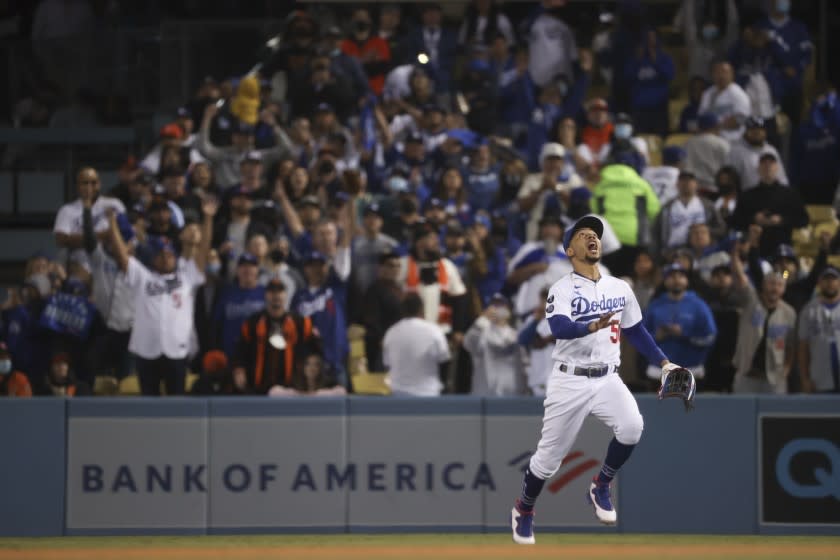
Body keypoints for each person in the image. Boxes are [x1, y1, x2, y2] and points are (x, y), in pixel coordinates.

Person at [510, 215, 686, 544]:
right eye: (583, 235)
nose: (592, 238)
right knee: (547, 460)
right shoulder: (560, 290)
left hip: (608, 377)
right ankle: (525, 507)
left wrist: (663, 362)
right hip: (570, 379)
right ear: (568, 250)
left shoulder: (620, 286)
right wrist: (591, 326)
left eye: (595, 234)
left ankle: (601, 484)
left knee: (632, 427)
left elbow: (635, 330)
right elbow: (559, 327)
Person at [108, 198, 215, 396]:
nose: (166, 258)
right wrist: (112, 223)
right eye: (160, 255)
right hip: (146, 350)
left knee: (177, 403)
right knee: (150, 406)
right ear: (152, 258)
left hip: (176, 350)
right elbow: (121, 256)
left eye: (169, 255)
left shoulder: (187, 275)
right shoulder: (143, 276)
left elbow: (203, 249)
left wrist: (208, 218)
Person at [233, 278, 321, 395]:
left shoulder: (301, 323)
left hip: (291, 388)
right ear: (266, 295)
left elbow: (315, 352)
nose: (276, 296)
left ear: (285, 295)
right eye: (272, 292)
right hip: (259, 387)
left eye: (280, 292)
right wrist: (239, 370)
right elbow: (240, 351)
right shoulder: (252, 323)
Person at [731, 250, 797, 395]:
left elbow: (791, 345)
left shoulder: (789, 313)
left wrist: (786, 370)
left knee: (776, 416)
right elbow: (740, 279)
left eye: (779, 285)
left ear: (783, 289)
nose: (775, 288)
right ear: (764, 285)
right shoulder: (751, 302)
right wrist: (734, 255)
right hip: (747, 376)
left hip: (775, 379)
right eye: (771, 284)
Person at [643, 263, 717, 388]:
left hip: (691, 370)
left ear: (686, 280)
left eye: (680, 276)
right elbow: (642, 337)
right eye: (672, 277)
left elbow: (710, 336)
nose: (676, 280)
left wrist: (685, 334)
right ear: (665, 281)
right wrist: (656, 337)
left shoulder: (699, 305)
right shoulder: (655, 305)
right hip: (659, 372)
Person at [730, 153, 809, 258]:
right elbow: (735, 221)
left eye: (771, 163)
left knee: (786, 274)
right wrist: (754, 219)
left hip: (782, 252)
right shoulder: (747, 196)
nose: (767, 167)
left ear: (777, 167)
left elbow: (803, 220)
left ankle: (785, 275)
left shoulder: (790, 194)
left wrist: (782, 220)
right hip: (753, 252)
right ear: (758, 168)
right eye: (764, 164)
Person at [54, 166, 126, 270]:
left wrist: (81, 239)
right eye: (85, 183)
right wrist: (103, 236)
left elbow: (125, 233)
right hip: (80, 263)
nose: (89, 187)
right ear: (78, 186)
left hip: (110, 262)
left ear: (99, 184)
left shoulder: (114, 204)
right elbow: (61, 240)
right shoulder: (67, 210)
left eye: (93, 183)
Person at [382, 292, 451, 396]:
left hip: (398, 395)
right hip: (428, 394)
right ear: (422, 309)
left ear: (402, 310)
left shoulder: (391, 332)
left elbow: (387, 364)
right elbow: (444, 361)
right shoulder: (434, 331)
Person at [650, 171, 726, 256]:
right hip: (674, 252)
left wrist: (705, 231)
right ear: (677, 184)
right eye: (683, 181)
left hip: (702, 251)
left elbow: (721, 228)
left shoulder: (707, 205)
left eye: (689, 181)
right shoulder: (667, 208)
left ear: (696, 184)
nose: (686, 184)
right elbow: (656, 233)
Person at [463, 293, 525, 396]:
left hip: (512, 394)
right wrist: (483, 319)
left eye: (501, 305)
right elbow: (468, 343)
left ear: (508, 310)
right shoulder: (480, 331)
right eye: (494, 305)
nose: (497, 309)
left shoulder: (516, 334)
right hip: (484, 394)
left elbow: (524, 365)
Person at [797, 266, 840, 394]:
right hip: (820, 376)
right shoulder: (808, 310)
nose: (830, 283)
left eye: (833, 279)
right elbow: (803, 347)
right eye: (826, 280)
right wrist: (805, 378)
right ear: (819, 283)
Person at [727, 117, 788, 191]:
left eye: (760, 129)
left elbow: (781, 177)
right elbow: (730, 181)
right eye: (753, 129)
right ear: (746, 131)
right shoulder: (736, 152)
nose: (757, 132)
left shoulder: (771, 150)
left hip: (772, 197)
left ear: (765, 131)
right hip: (747, 198)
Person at [698, 60, 752, 143]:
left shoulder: (738, 94)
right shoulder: (708, 93)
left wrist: (716, 127)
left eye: (724, 72)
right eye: (718, 72)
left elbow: (739, 119)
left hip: (733, 140)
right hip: (710, 139)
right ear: (712, 75)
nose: (721, 76)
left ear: (732, 74)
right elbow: (702, 116)